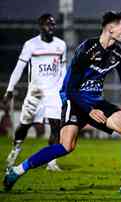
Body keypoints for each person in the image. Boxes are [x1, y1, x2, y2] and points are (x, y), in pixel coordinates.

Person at [3, 11, 121, 195]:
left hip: (96, 101)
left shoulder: (118, 53)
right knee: (66, 146)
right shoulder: (86, 49)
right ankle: (16, 170)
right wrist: (89, 110)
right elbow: (70, 89)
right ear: (110, 28)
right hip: (75, 99)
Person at [3, 13, 67, 171]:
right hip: (35, 93)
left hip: (53, 92)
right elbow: (20, 68)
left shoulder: (61, 45)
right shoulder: (31, 45)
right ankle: (16, 149)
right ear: (40, 26)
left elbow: (63, 69)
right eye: (47, 24)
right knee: (24, 125)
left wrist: (64, 89)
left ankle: (52, 162)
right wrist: (10, 89)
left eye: (53, 24)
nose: (51, 27)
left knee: (55, 126)